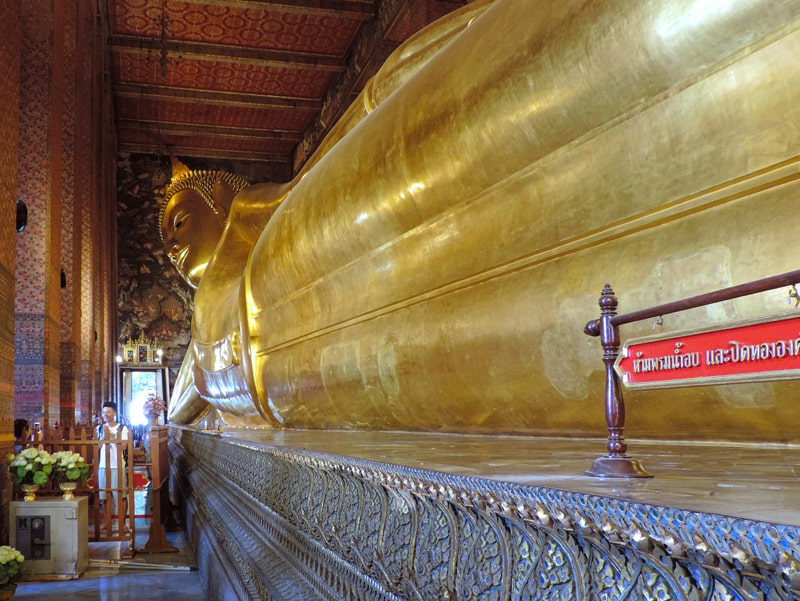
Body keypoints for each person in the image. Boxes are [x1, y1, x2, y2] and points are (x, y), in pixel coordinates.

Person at [161, 0, 799, 438]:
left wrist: (401, 77)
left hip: (296, 257)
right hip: (285, 351)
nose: (170, 248)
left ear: (217, 202)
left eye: (178, 223)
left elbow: (363, 119)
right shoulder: (209, 316)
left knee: (483, 116)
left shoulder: (267, 218)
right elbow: (186, 394)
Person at [97, 401, 130, 531]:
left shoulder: (122, 428)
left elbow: (123, 447)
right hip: (103, 466)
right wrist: (103, 435)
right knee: (105, 496)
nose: (105, 414)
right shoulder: (99, 428)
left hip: (117, 465)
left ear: (114, 413)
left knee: (121, 495)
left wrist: (110, 435)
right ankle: (107, 521)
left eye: (108, 412)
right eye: (104, 412)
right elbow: (98, 446)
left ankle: (122, 523)